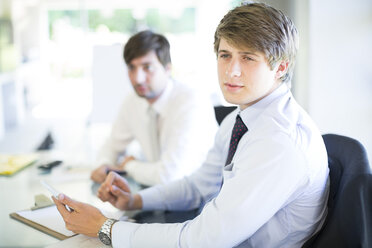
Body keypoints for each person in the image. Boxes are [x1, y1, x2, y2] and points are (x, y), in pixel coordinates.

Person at [53, 3, 330, 247]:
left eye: (248, 57)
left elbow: (204, 240)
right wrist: (136, 201)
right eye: (225, 55)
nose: (231, 71)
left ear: (280, 67)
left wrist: (105, 228)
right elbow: (198, 187)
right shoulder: (241, 118)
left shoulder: (277, 142)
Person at [90, 30, 217, 186]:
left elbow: (171, 176)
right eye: (131, 68)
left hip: (199, 200)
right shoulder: (133, 101)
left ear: (167, 69)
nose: (138, 79)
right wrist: (104, 164)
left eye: (147, 67)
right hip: (156, 195)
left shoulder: (191, 102)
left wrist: (129, 166)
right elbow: (112, 144)